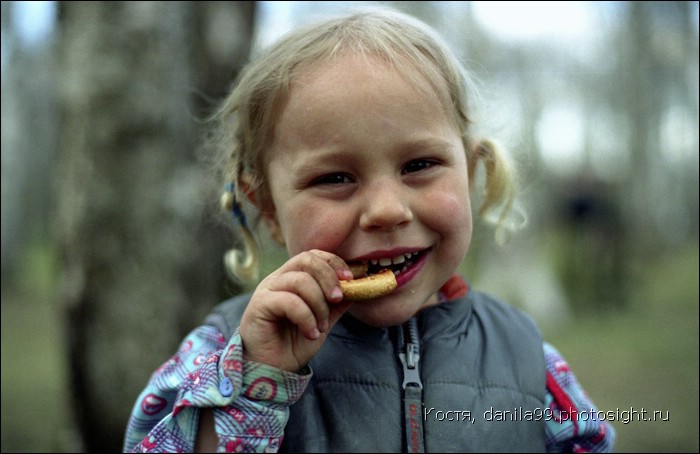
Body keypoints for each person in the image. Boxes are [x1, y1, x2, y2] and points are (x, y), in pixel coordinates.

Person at [124, 8, 615, 453]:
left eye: (420, 164)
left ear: (468, 173)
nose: (385, 210)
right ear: (268, 208)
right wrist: (256, 383)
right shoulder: (221, 355)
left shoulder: (527, 360)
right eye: (334, 178)